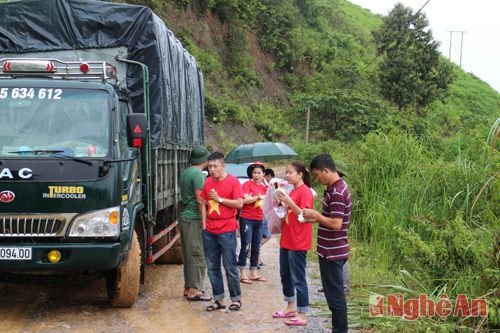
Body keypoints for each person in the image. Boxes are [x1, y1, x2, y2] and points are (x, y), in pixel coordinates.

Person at [302, 154, 352, 333]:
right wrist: (315, 218)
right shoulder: (335, 188)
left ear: (326, 170)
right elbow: (330, 219)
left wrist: (316, 216)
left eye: (317, 174)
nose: (317, 178)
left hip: (332, 252)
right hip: (331, 250)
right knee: (334, 297)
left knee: (336, 299)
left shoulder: (337, 192)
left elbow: (336, 224)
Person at [271, 161, 314, 327]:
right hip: (287, 239)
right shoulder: (293, 190)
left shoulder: (305, 192)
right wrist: (281, 203)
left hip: (298, 241)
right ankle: (290, 306)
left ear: (300, 174)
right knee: (285, 275)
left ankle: (302, 315)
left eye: (290, 173)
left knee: (298, 278)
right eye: (286, 173)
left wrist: (289, 202)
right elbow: (289, 212)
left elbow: (305, 217)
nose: (287, 175)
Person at [201, 152, 244, 312]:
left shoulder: (233, 182)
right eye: (209, 166)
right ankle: (218, 299)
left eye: (215, 166)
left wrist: (220, 199)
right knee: (212, 267)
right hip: (209, 231)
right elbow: (204, 204)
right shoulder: (207, 182)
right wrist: (203, 224)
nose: (212, 169)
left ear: (223, 166)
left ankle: (236, 299)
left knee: (230, 266)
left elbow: (239, 204)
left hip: (227, 230)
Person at [179, 146, 212, 301]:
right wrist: (205, 222)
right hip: (194, 218)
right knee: (197, 253)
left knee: (188, 253)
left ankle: (188, 287)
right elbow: (200, 200)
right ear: (204, 160)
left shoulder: (186, 171)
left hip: (185, 216)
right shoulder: (198, 174)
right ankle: (194, 290)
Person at [238, 162, 268, 283]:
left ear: (263, 174)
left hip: (259, 219)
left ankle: (254, 272)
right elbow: (244, 200)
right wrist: (257, 197)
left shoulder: (265, 188)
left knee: (256, 246)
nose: (256, 175)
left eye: (259, 173)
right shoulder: (246, 184)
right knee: (245, 246)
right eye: (254, 173)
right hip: (246, 218)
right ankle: (242, 273)